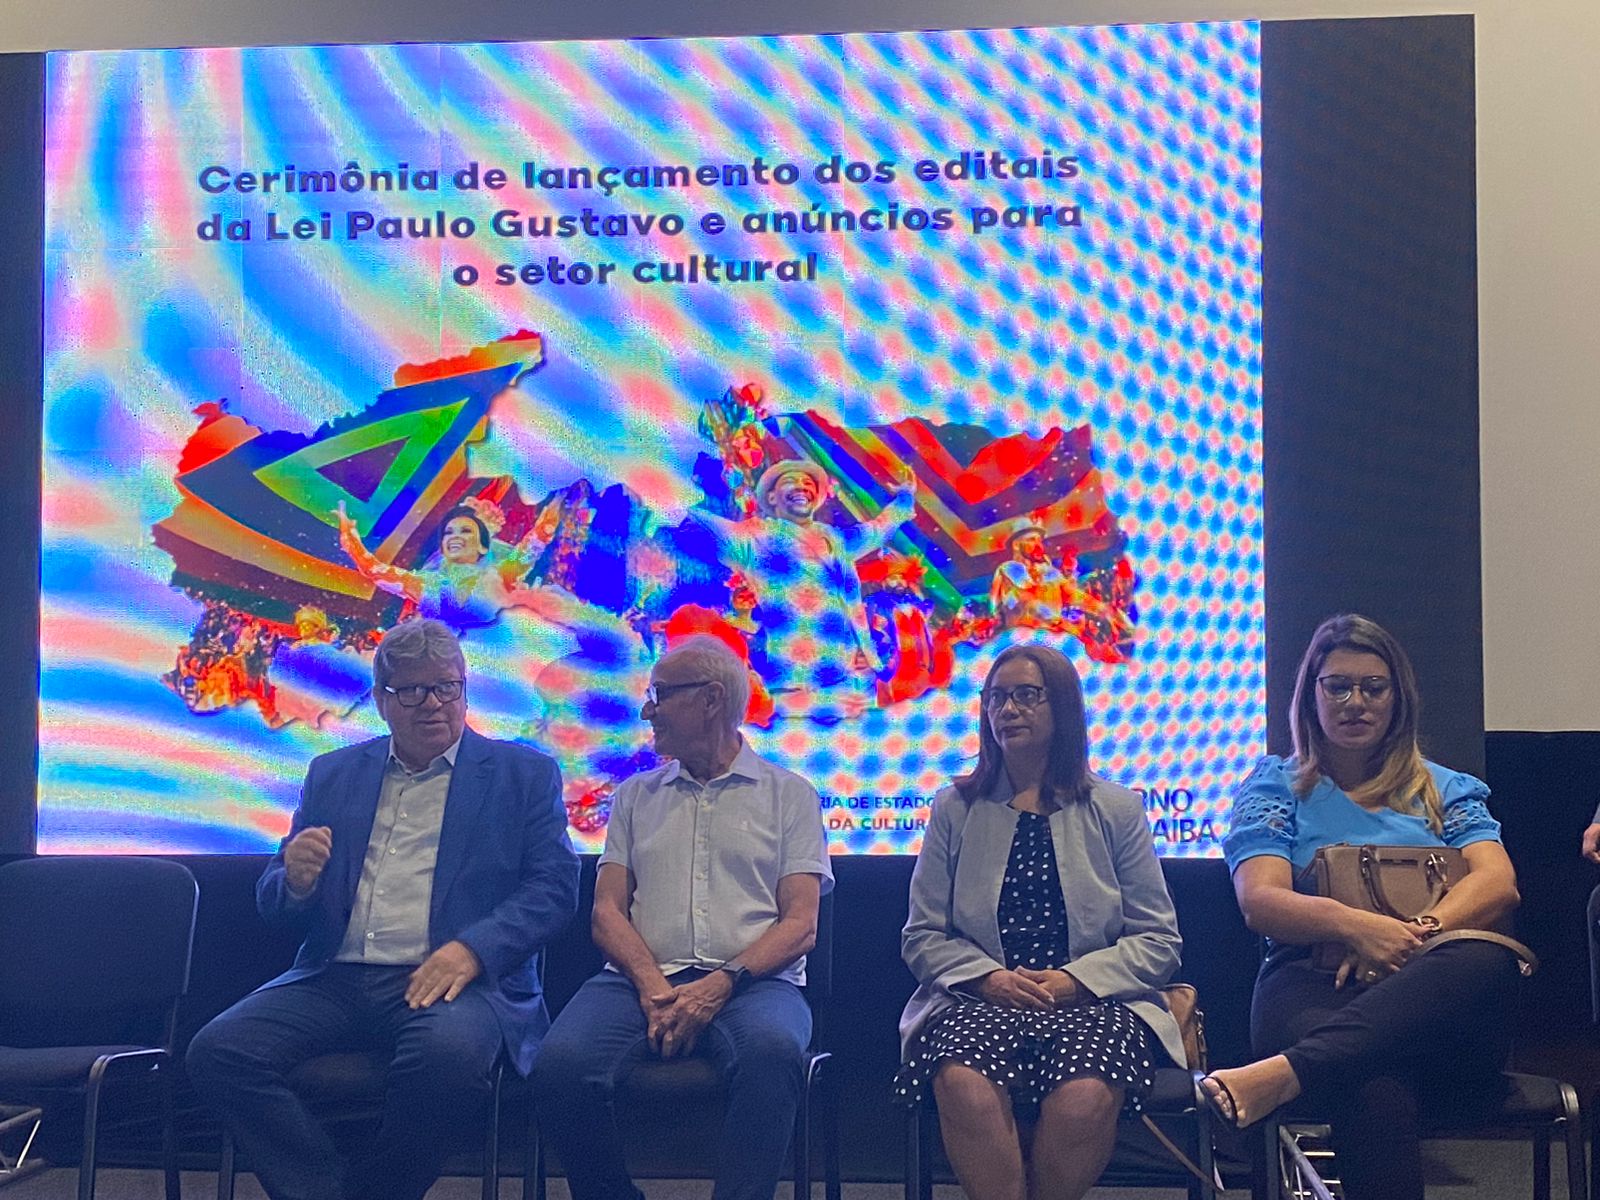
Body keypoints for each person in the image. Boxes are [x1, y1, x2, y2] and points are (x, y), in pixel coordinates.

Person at [186, 617, 580, 1200]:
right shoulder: (334, 774)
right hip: (334, 977)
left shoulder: (522, 775)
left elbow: (554, 889)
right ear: (381, 699)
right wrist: (296, 881)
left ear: (464, 688)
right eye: (413, 691)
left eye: (446, 687)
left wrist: (472, 950)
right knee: (218, 1052)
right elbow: (276, 901)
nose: (433, 704)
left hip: (453, 983)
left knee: (448, 1057)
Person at [1202, 613, 1522, 1200]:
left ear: (1398, 698)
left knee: (1488, 957)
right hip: (1312, 982)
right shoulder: (1275, 786)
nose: (1356, 703)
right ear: (1311, 695)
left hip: (1438, 996)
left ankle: (1286, 1074)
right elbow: (1260, 900)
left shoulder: (1446, 789)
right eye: (1338, 687)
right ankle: (1310, 1063)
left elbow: (1499, 883)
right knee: (1372, 1086)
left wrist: (1411, 937)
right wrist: (1355, 927)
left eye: (1374, 688)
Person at [531, 634, 833, 1200]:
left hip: (754, 984)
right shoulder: (634, 796)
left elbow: (800, 924)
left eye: (661, 694)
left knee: (772, 1056)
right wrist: (652, 985)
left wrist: (720, 985)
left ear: (711, 699)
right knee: (559, 1065)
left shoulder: (790, 795)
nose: (648, 711)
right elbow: (606, 913)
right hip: (637, 980)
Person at [894, 643, 1185, 1200]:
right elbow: (922, 936)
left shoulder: (1117, 808)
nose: (1008, 710)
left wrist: (1076, 981)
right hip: (979, 999)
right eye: (996, 698)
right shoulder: (954, 808)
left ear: (1064, 708)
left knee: (1083, 1097)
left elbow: (1158, 940)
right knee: (962, 1083)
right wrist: (988, 979)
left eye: (1027, 695)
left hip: (1095, 1002)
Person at [686, 457, 917, 715]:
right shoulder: (755, 538)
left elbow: (878, 529)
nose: (802, 486)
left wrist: (905, 498)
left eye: (808, 483)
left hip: (855, 682)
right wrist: (668, 493)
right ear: (771, 498)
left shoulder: (836, 539)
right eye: (790, 481)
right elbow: (703, 523)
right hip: (799, 690)